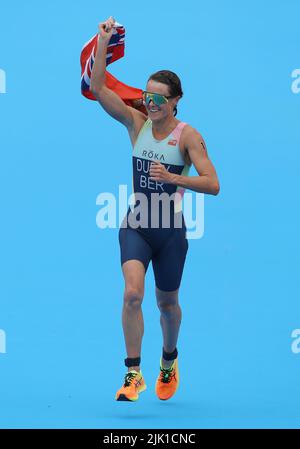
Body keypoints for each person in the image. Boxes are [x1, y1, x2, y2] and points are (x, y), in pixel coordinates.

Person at [90, 16, 220, 402]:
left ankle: (168, 360)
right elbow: (97, 87)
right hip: (137, 225)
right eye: (148, 96)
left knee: (167, 304)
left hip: (170, 232)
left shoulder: (188, 136)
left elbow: (213, 184)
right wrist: (103, 42)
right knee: (132, 295)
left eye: (160, 98)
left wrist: (175, 178)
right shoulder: (137, 123)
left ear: (176, 100)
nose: (151, 102)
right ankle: (133, 374)